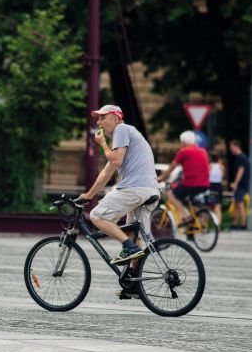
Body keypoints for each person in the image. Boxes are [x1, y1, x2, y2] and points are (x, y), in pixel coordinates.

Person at [79, 105, 160, 277]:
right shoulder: (124, 139)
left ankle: (128, 247)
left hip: (135, 188)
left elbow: (115, 160)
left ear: (115, 118)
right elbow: (106, 172)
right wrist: (88, 195)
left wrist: (102, 144)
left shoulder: (121, 129)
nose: (98, 122)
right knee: (134, 234)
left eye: (102, 117)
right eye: (97, 118)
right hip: (149, 190)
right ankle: (133, 281)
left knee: (97, 216)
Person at [157, 130, 209, 226]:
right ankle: (194, 225)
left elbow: (171, 168)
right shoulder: (203, 151)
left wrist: (161, 178)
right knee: (192, 201)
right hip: (205, 184)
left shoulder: (184, 151)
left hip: (191, 184)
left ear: (183, 142)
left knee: (170, 193)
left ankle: (185, 216)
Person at [228, 139, 250, 230]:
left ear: (237, 147)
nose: (230, 150)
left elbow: (240, 171)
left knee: (240, 204)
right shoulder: (242, 157)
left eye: (232, 147)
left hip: (240, 185)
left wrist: (235, 183)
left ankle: (243, 224)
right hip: (242, 184)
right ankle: (235, 224)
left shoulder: (241, 157)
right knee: (237, 204)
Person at [208, 153, 224, 225]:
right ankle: (218, 225)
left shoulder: (209, 166)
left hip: (210, 186)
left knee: (208, 206)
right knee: (218, 207)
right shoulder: (221, 167)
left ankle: (205, 225)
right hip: (218, 186)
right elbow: (222, 175)